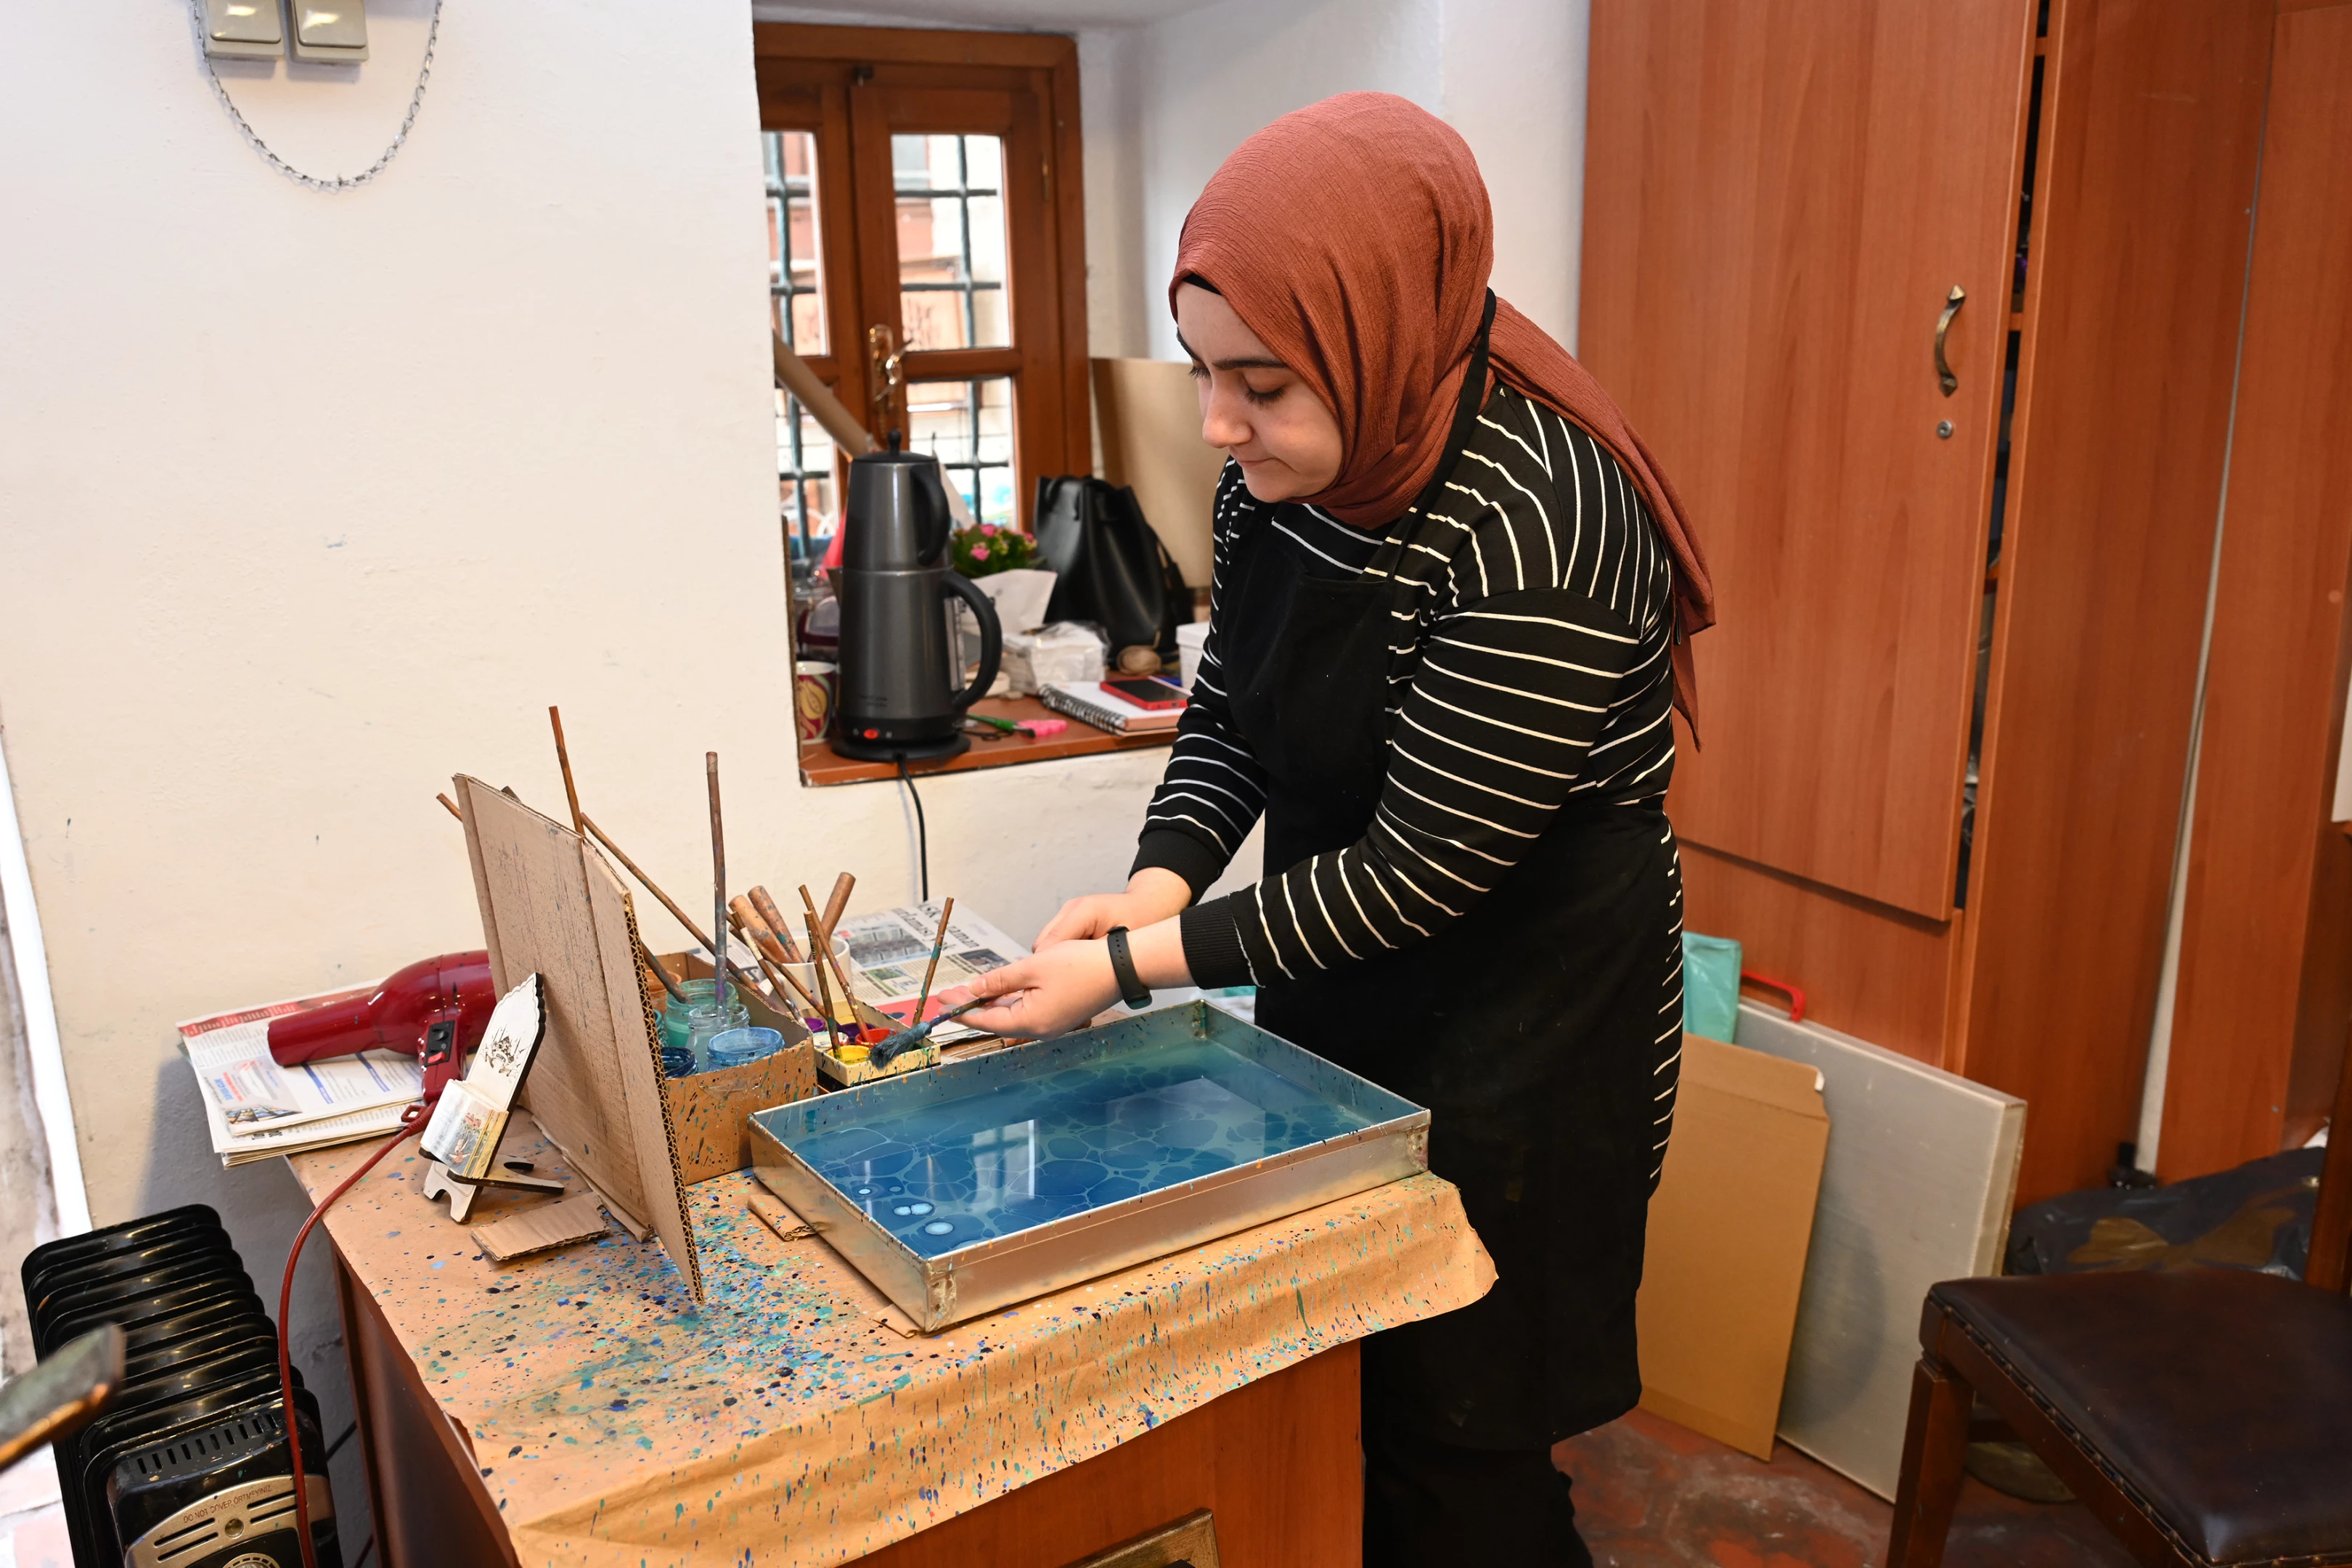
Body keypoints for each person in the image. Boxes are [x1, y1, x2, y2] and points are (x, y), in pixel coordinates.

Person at [956, 91, 1714, 1565]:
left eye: (1263, 382)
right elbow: (1235, 709)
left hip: (1531, 1025)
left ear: (1382, 337)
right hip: (1349, 974)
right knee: (1337, 1382)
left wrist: (1131, 971)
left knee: (1464, 1432)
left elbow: (1425, 867)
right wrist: (1157, 886)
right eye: (1204, 371)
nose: (1218, 423)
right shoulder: (1284, 477)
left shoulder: (1542, 520)